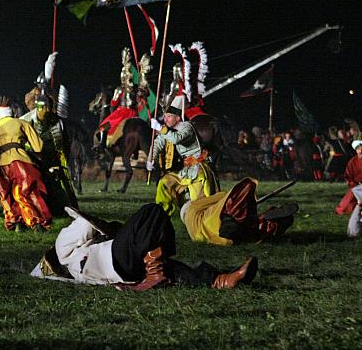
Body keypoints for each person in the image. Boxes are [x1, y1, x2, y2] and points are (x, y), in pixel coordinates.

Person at [30, 203, 258, 290]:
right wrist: (112, 229)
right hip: (115, 260)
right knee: (152, 212)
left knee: (169, 266)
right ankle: (154, 273)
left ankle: (222, 280)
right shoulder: (65, 251)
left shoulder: (78, 266)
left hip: (128, 268)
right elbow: (84, 223)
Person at [0, 96, 52, 232]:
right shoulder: (21, 123)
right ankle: (37, 223)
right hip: (20, 162)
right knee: (27, 191)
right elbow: (39, 146)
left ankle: (16, 223)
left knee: (6, 195)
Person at [147, 102, 218, 216]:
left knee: (199, 203)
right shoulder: (168, 131)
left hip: (198, 169)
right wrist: (150, 159)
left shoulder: (186, 127)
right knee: (164, 182)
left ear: (178, 118)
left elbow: (176, 139)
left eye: (169, 116)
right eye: (164, 116)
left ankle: (201, 223)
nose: (165, 119)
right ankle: (161, 215)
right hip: (184, 170)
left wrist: (160, 128)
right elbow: (157, 144)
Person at [179, 177, 297, 245]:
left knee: (244, 223)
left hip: (222, 234)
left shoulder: (193, 220)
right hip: (221, 226)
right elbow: (222, 197)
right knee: (237, 196)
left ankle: (265, 224)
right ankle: (268, 224)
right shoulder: (194, 208)